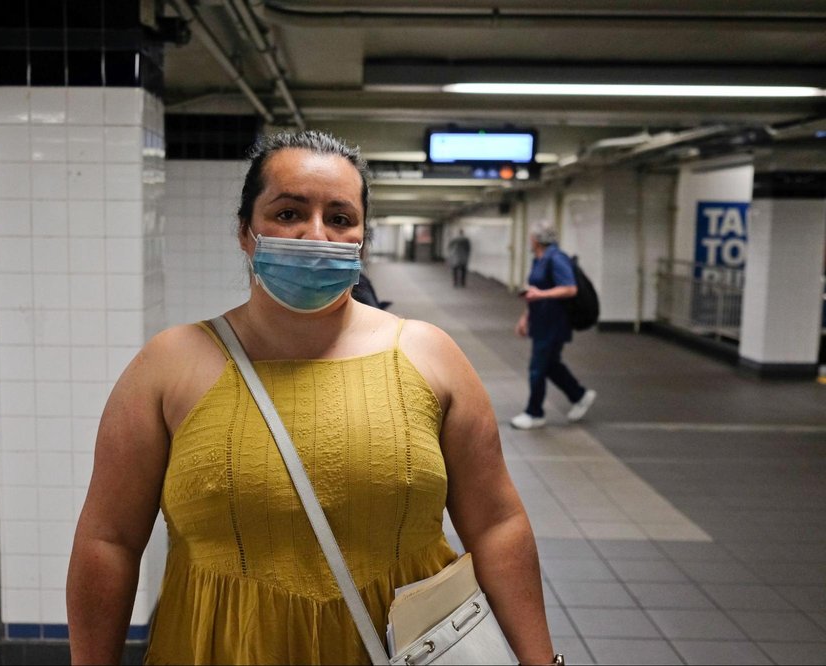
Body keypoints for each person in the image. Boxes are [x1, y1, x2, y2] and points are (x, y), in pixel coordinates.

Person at [67, 131, 556, 665]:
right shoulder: (168, 366)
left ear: (361, 238)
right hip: (219, 647)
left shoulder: (428, 357)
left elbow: (496, 525)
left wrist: (541, 662)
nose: (314, 234)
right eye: (288, 213)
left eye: (340, 218)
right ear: (245, 232)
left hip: (402, 648)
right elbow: (108, 541)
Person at [511, 224, 596, 430]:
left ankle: (535, 413)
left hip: (555, 323)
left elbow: (570, 288)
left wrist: (541, 295)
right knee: (550, 365)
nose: (530, 239)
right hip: (541, 321)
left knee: (537, 367)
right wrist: (526, 317)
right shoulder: (539, 259)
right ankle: (579, 395)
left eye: (532, 236)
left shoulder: (557, 258)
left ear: (537, 239)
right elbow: (535, 291)